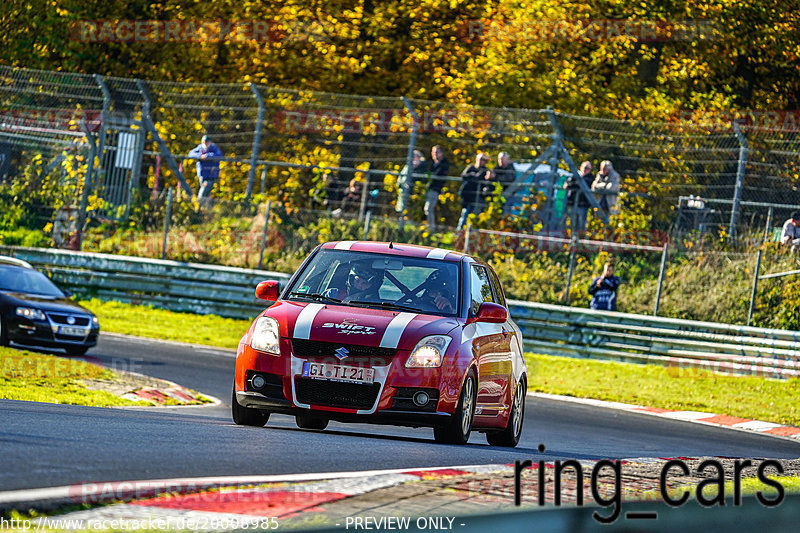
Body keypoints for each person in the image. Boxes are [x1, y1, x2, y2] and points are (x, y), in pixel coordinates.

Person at [457, 152, 491, 230]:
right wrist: (473, 175)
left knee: (476, 219)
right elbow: (463, 176)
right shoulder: (471, 167)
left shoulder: (485, 170)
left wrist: (471, 176)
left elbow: (478, 178)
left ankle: (472, 237)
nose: (482, 161)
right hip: (467, 197)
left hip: (478, 198)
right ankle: (459, 236)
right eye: (481, 159)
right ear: (476, 159)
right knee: (464, 217)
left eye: (484, 160)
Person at [187, 135, 222, 205]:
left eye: (207, 142)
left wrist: (207, 156)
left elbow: (219, 155)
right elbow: (190, 154)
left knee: (203, 192)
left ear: (210, 142)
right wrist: (200, 156)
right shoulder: (200, 148)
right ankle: (206, 210)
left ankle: (198, 206)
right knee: (206, 194)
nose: (205, 144)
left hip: (211, 175)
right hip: (202, 174)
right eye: (204, 142)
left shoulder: (213, 148)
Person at [425, 145, 450, 232]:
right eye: (433, 152)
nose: (434, 154)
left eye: (437, 152)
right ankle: (428, 228)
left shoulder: (444, 164)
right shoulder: (432, 164)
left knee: (428, 209)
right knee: (428, 209)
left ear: (441, 153)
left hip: (435, 189)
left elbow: (437, 176)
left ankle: (431, 229)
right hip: (429, 189)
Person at [396, 150, 426, 223]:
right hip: (403, 188)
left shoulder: (422, 165)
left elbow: (420, 178)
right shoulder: (408, 165)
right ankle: (401, 220)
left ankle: (407, 222)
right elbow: (401, 177)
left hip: (413, 190)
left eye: (414, 156)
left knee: (410, 207)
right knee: (401, 205)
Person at [564, 161, 594, 232]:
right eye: (584, 167)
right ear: (581, 167)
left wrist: (575, 184)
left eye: (588, 168)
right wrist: (576, 184)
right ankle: (572, 239)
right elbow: (567, 185)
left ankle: (580, 240)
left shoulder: (591, 178)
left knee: (581, 225)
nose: (585, 169)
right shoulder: (574, 175)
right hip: (572, 203)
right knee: (572, 224)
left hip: (583, 204)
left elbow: (584, 185)